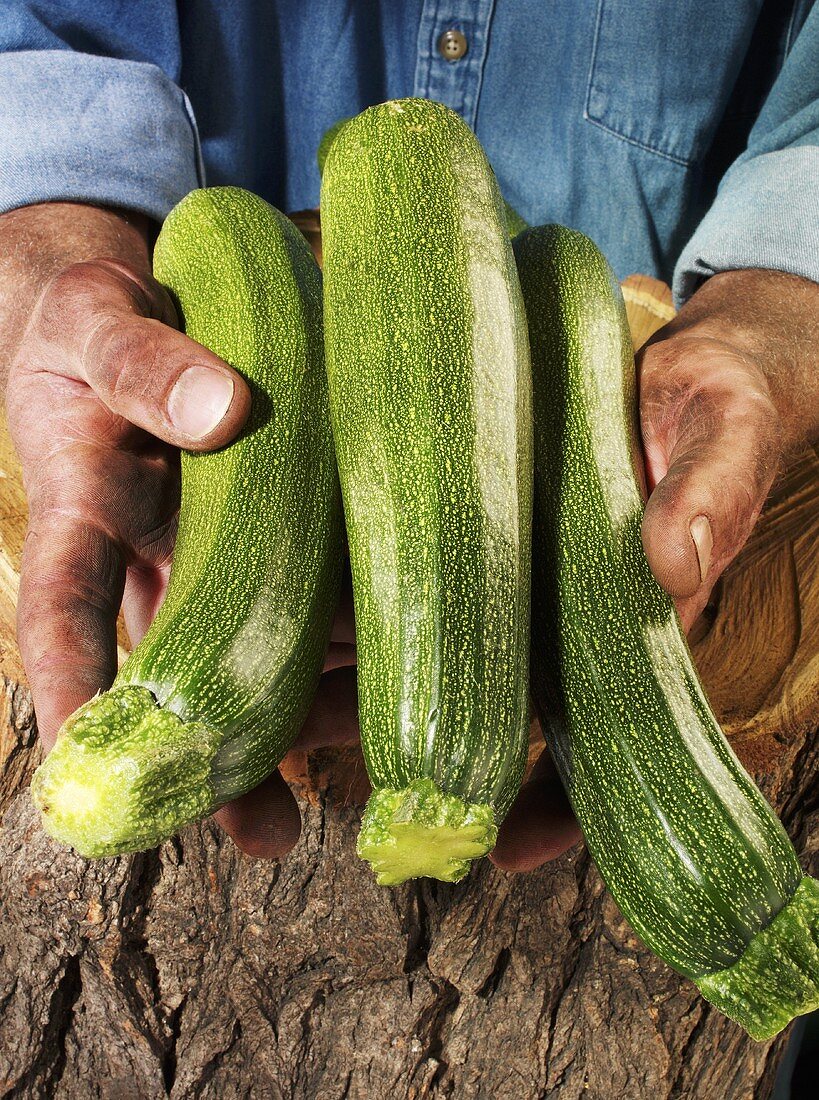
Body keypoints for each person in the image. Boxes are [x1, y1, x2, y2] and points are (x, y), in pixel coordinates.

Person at [1, 2, 818, 866]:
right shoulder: (235, 240)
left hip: (634, 319)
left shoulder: (558, 282)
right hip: (195, 266)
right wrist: (56, 236)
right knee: (233, 228)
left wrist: (775, 311)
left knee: (550, 266)